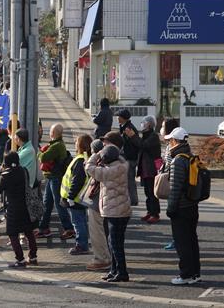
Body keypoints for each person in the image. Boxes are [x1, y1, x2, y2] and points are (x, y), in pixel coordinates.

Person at [85, 144, 131, 282]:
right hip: (122, 210)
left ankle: (122, 273)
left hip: (114, 211)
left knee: (114, 244)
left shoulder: (108, 172)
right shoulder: (122, 165)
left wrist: (97, 154)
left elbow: (89, 167)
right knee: (116, 242)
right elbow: (120, 157)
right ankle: (114, 270)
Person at [165, 127, 201, 285]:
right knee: (192, 240)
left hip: (181, 207)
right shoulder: (190, 156)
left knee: (182, 242)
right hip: (192, 205)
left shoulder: (178, 160)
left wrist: (171, 208)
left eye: (169, 141)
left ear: (174, 141)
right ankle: (195, 273)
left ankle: (186, 274)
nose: (168, 144)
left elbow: (175, 188)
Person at [0, 152, 38, 268]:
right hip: (26, 205)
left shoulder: (5, 175)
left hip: (13, 207)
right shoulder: (23, 170)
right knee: (28, 231)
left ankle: (20, 259)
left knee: (12, 233)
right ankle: (33, 256)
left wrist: (1, 172)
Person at [36, 124, 74, 240]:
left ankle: (69, 229)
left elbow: (43, 158)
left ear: (53, 133)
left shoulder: (57, 146)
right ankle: (43, 228)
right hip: (52, 177)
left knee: (59, 204)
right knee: (47, 203)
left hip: (55, 178)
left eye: (51, 131)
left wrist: (39, 151)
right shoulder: (57, 144)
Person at [60, 134, 93, 255]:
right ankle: (82, 244)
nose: (75, 144)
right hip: (80, 198)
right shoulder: (85, 158)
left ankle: (81, 245)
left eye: (76, 142)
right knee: (81, 221)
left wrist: (70, 197)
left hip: (75, 198)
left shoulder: (79, 160)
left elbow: (76, 180)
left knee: (78, 222)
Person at [129, 115, 162, 224]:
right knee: (147, 192)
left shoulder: (153, 136)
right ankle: (150, 211)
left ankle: (155, 214)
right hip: (145, 168)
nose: (142, 124)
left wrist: (133, 136)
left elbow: (143, 145)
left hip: (151, 169)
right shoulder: (145, 135)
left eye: (144, 122)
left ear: (149, 124)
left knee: (152, 193)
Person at [159, 118, 180, 251]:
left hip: (173, 184)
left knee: (175, 214)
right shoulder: (169, 145)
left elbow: (171, 166)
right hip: (171, 183)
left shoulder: (173, 147)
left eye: (163, 126)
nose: (161, 129)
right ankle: (176, 239)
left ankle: (177, 240)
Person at [116, 109, 139, 206]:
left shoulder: (128, 128)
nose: (117, 118)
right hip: (128, 157)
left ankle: (133, 200)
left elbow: (125, 143)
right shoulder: (124, 126)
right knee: (128, 179)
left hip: (130, 158)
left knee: (130, 179)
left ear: (123, 118)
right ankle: (130, 199)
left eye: (119, 117)